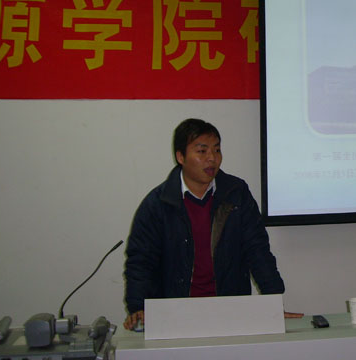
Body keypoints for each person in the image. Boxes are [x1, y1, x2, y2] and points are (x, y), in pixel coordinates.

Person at [123, 118, 301, 330]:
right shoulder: (158, 204)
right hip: (175, 313)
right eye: (202, 151)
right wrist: (138, 307)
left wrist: (272, 301)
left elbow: (257, 249)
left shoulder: (236, 193)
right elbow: (141, 261)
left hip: (230, 309)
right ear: (181, 157)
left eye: (217, 150)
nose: (212, 158)